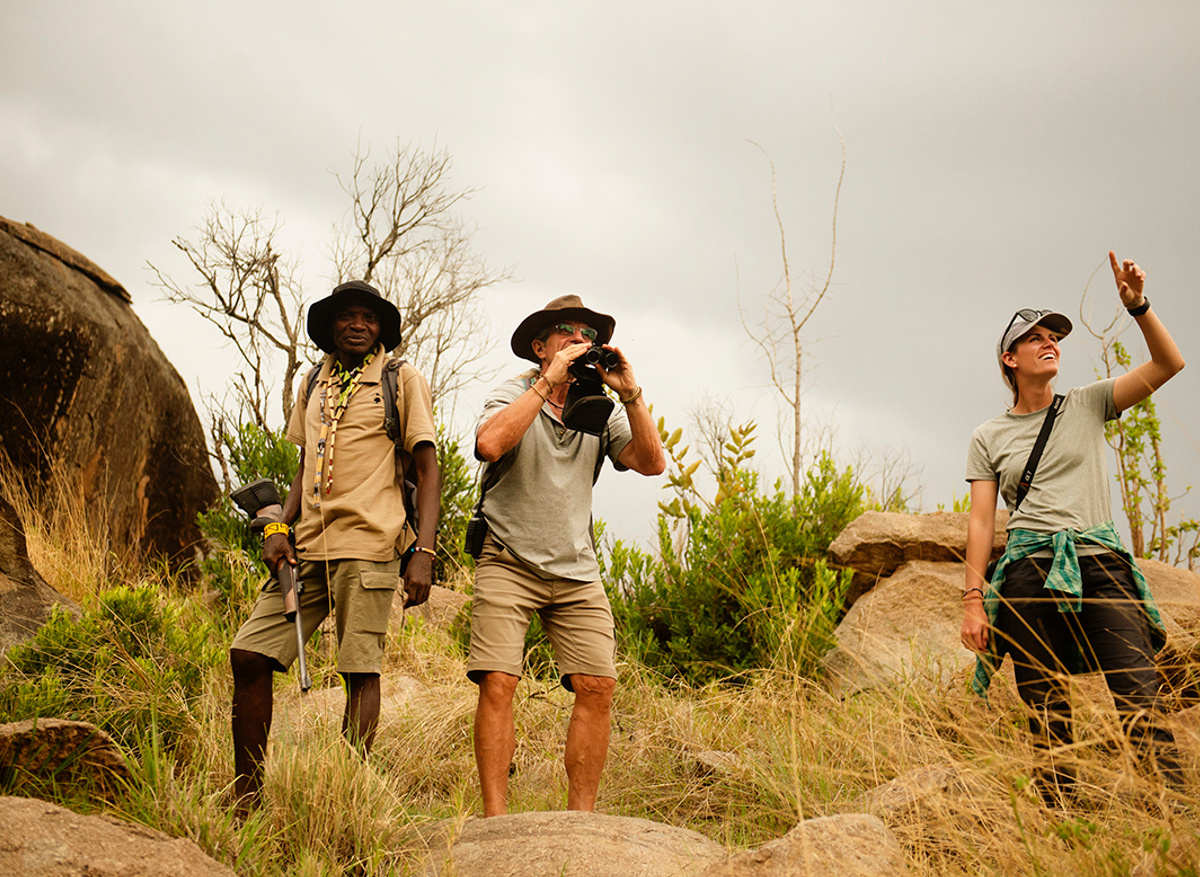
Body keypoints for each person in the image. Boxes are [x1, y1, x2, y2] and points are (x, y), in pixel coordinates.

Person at [960, 251, 1185, 800]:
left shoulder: (1088, 403)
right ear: (1010, 359)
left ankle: (1176, 815)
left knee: (1140, 697)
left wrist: (1138, 306)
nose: (1050, 343)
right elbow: (982, 523)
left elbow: (1169, 363)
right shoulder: (988, 436)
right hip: (1028, 574)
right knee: (1047, 714)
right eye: (1035, 338)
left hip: (1100, 565)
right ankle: (1060, 820)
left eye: (1054, 336)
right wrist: (972, 601)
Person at [228, 280, 440, 813]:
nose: (358, 324)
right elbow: (305, 466)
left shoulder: (400, 379)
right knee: (249, 655)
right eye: (347, 315)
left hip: (370, 543)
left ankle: (344, 803)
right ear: (329, 325)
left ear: (381, 327)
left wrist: (424, 553)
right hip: (308, 546)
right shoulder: (312, 381)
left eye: (369, 317)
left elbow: (427, 468)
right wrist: (280, 527)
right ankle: (246, 800)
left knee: (358, 671)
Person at [468, 294, 665, 816]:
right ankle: (495, 822)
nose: (580, 341)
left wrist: (630, 393)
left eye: (587, 335)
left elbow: (651, 463)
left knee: (597, 684)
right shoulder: (513, 391)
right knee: (499, 681)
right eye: (566, 332)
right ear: (540, 348)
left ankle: (581, 823)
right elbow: (490, 445)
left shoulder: (599, 405)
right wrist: (546, 384)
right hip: (508, 556)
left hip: (576, 568)